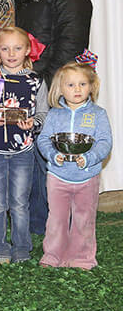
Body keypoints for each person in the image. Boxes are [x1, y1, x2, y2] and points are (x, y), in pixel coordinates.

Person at [11, 0, 93, 235]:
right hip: (24, 83)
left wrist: (47, 86)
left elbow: (72, 44)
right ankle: (38, 225)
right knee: (31, 156)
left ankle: (62, 228)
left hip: (50, 87)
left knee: (53, 159)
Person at [36, 60, 112, 269]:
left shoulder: (98, 114)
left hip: (87, 177)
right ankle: (53, 255)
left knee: (83, 219)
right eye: (70, 85)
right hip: (57, 176)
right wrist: (53, 155)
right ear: (60, 88)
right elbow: (43, 139)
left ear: (91, 86)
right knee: (56, 220)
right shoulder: (54, 114)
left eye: (82, 84)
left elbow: (105, 142)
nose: (77, 89)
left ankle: (82, 258)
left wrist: (89, 158)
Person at [0, 27, 49, 265]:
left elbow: (43, 111)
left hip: (24, 151)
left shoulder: (36, 81)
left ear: (28, 50)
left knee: (20, 202)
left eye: (17, 48)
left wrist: (34, 123)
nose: (11, 53)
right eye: (5, 48)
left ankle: (22, 248)